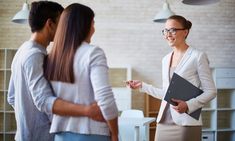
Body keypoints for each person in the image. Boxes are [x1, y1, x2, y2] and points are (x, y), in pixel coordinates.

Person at [8, 1, 104, 141]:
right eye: (62, 23)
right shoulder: (35, 55)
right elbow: (43, 101)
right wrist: (86, 111)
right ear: (50, 24)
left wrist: (27, 119)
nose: (65, 29)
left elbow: (11, 97)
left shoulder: (22, 50)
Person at [126, 15, 217, 141]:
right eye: (165, 30)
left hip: (186, 122)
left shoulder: (198, 56)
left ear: (185, 32)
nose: (168, 34)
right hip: (163, 121)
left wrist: (188, 105)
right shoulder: (165, 59)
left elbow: (211, 91)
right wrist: (142, 86)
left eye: (173, 30)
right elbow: (166, 93)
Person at [44, 3, 118, 141]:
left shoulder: (51, 57)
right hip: (92, 132)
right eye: (92, 24)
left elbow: (47, 101)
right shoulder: (93, 53)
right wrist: (115, 133)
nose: (93, 29)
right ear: (83, 26)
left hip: (60, 134)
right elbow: (105, 98)